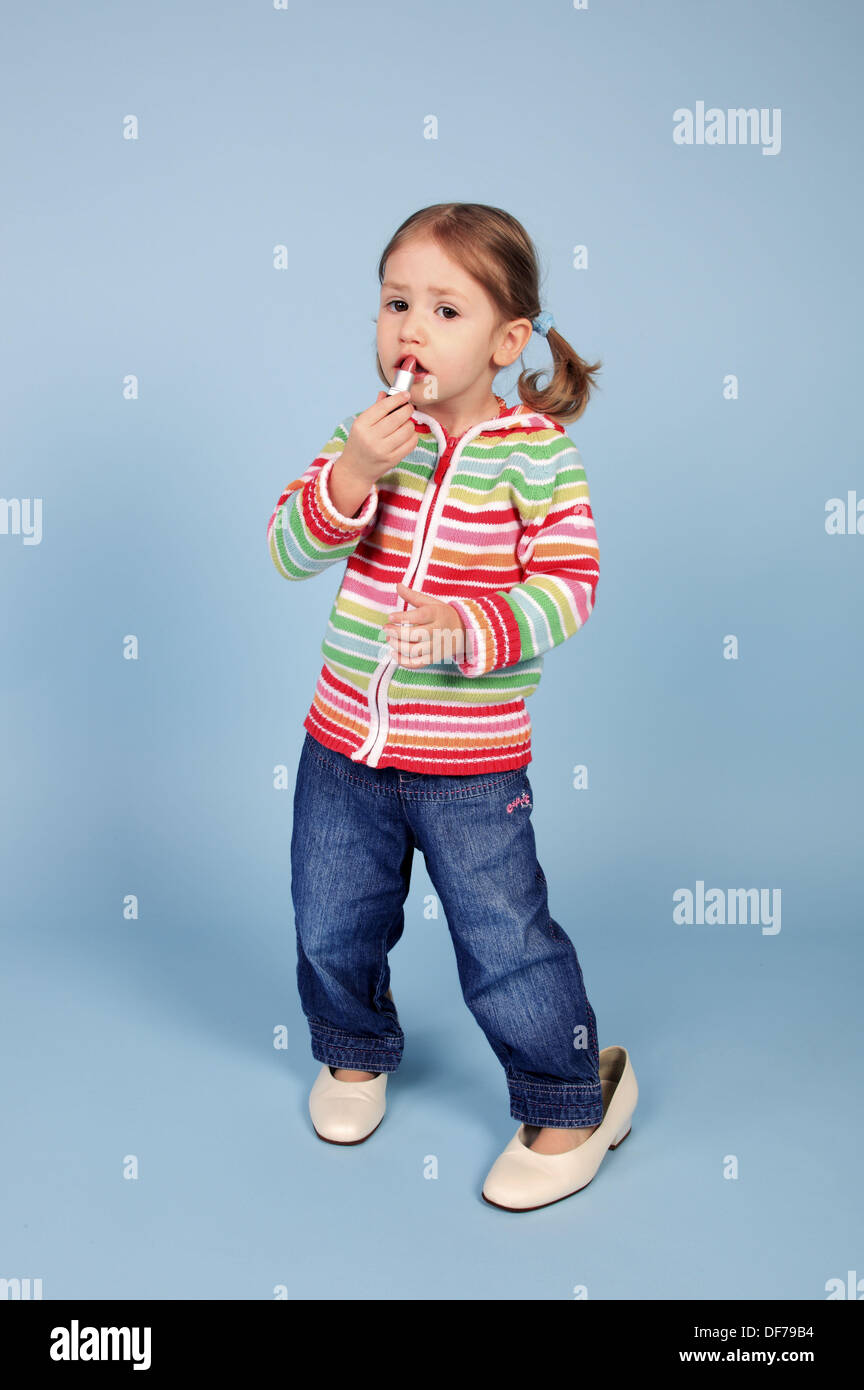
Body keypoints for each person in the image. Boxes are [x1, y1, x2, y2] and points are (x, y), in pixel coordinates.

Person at [267, 202, 638, 1211]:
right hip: (345, 743)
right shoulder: (373, 436)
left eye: (444, 308)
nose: (410, 331)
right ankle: (351, 1048)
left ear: (509, 340)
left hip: (472, 764)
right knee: (329, 913)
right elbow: (289, 549)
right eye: (395, 304)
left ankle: (571, 1098)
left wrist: (465, 630)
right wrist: (351, 472)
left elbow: (568, 588)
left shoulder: (537, 455)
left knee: (505, 938)